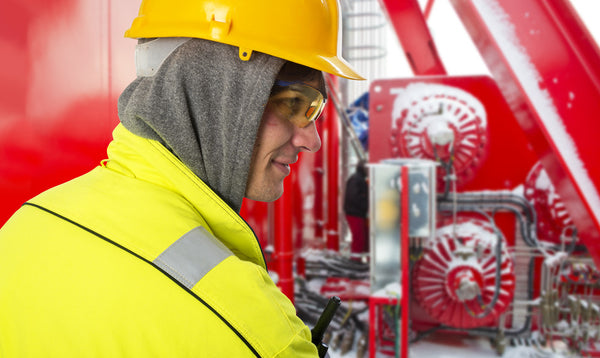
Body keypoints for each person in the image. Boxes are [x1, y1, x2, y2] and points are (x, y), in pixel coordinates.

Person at [0, 0, 363, 357]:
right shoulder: (260, 336)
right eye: (294, 103)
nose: (312, 140)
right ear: (212, 87)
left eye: (314, 110)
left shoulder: (21, 229)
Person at [344, 160, 370, 255]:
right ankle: (355, 260)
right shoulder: (357, 180)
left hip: (357, 212)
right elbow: (354, 196)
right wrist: (366, 205)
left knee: (362, 238)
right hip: (355, 213)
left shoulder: (359, 179)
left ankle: (357, 259)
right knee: (359, 238)